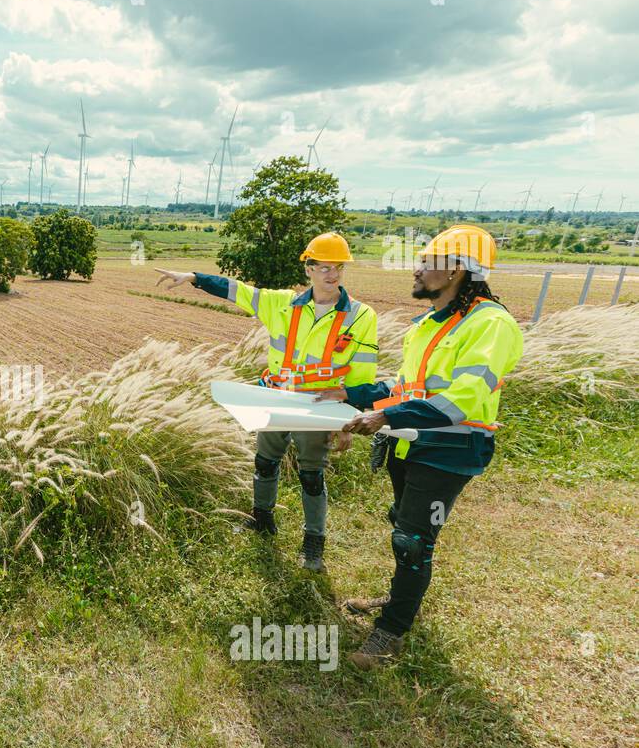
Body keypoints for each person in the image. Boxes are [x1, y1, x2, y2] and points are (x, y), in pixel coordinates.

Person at [324, 224, 524, 669]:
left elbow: (464, 398)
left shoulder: (491, 324)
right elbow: (406, 387)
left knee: (413, 541)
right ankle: (400, 597)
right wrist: (353, 396)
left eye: (428, 262)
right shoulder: (430, 324)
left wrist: (386, 417)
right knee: (403, 526)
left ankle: (390, 633)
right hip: (410, 444)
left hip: (451, 449)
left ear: (456, 269)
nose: (417, 269)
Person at [156, 231, 378, 571]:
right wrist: (194, 278)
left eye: (338, 268)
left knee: (311, 475)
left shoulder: (361, 317)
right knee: (265, 462)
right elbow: (238, 291)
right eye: (323, 267)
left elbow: (362, 376)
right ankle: (262, 520)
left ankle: (313, 544)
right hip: (275, 398)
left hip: (319, 409)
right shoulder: (281, 304)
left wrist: (347, 421)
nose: (332, 275)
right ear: (308, 269)